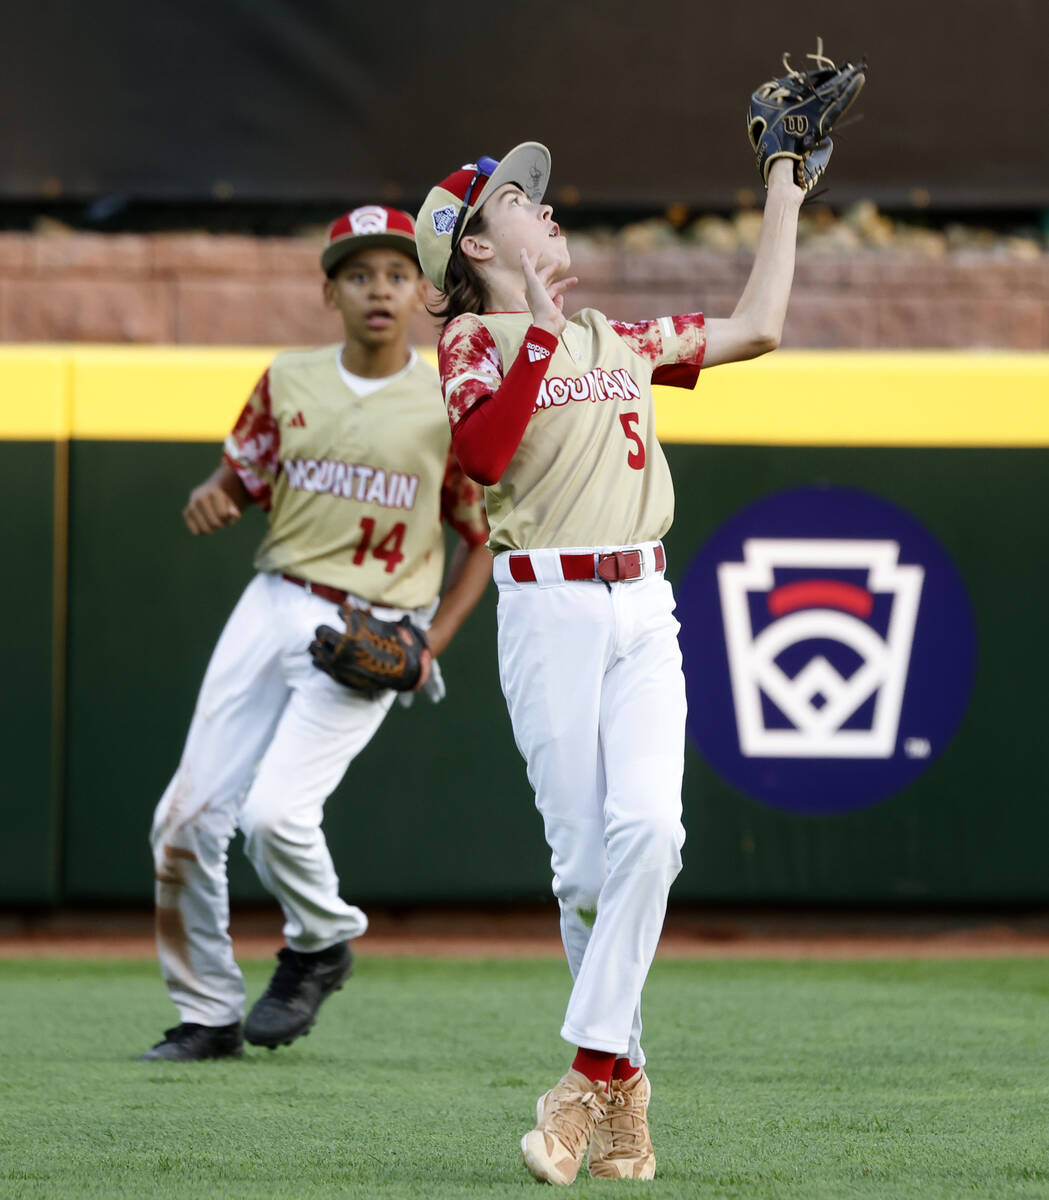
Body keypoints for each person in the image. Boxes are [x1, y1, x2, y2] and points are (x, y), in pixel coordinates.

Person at [415, 145, 805, 1182]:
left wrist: (780, 185)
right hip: (546, 607)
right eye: (515, 201)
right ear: (477, 245)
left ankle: (586, 1079)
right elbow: (482, 458)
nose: (544, 211)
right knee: (585, 871)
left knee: (654, 833)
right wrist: (536, 327)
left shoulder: (615, 337)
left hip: (643, 600)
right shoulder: (472, 339)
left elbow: (758, 326)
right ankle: (625, 1090)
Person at [140, 206, 491, 1062]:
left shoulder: (446, 399)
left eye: (397, 274)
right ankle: (208, 1012)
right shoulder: (287, 377)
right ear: (328, 290)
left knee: (273, 818)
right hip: (274, 600)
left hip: (371, 624)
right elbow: (239, 473)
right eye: (359, 273)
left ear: (419, 290)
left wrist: (429, 648)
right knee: (182, 820)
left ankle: (322, 939)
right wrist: (212, 493)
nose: (379, 289)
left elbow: (481, 539)